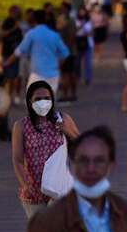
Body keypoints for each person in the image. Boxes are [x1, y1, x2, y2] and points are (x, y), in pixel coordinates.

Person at [25, 126, 127, 232]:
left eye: (99, 160)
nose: (91, 168)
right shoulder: (48, 221)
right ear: (72, 166)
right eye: (84, 160)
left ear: (111, 166)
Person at [11, 80, 79, 219]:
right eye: (38, 99)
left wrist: (68, 131)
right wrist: (26, 185)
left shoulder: (63, 119)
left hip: (59, 187)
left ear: (52, 100)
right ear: (30, 102)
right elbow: (17, 159)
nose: (43, 102)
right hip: (34, 191)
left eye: (47, 98)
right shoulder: (21, 126)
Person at [3, 9, 70, 97]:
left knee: (34, 105)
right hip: (53, 75)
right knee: (49, 105)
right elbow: (65, 54)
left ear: (34, 19)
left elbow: (19, 51)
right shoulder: (54, 35)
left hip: (37, 75)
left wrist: (6, 63)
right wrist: (58, 66)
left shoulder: (31, 34)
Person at [1, 6, 25, 105]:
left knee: (16, 76)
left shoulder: (20, 22)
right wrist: (14, 28)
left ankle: (13, 96)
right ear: (10, 12)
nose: (17, 14)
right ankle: (6, 96)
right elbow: (3, 34)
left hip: (16, 53)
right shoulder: (7, 22)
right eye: (15, 12)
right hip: (7, 52)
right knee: (8, 76)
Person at [57, 2, 79, 102]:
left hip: (68, 51)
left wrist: (65, 52)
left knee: (66, 74)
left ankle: (66, 95)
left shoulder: (68, 21)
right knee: (70, 73)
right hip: (70, 51)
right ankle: (72, 94)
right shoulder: (68, 20)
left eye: (62, 8)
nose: (61, 10)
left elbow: (71, 37)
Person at [75, 5, 94, 86]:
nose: (82, 13)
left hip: (88, 43)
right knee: (77, 62)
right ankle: (77, 77)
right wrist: (81, 26)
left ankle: (87, 78)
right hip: (78, 43)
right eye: (80, 11)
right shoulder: (76, 21)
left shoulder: (89, 21)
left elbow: (91, 33)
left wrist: (87, 32)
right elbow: (75, 31)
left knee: (88, 63)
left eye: (83, 11)